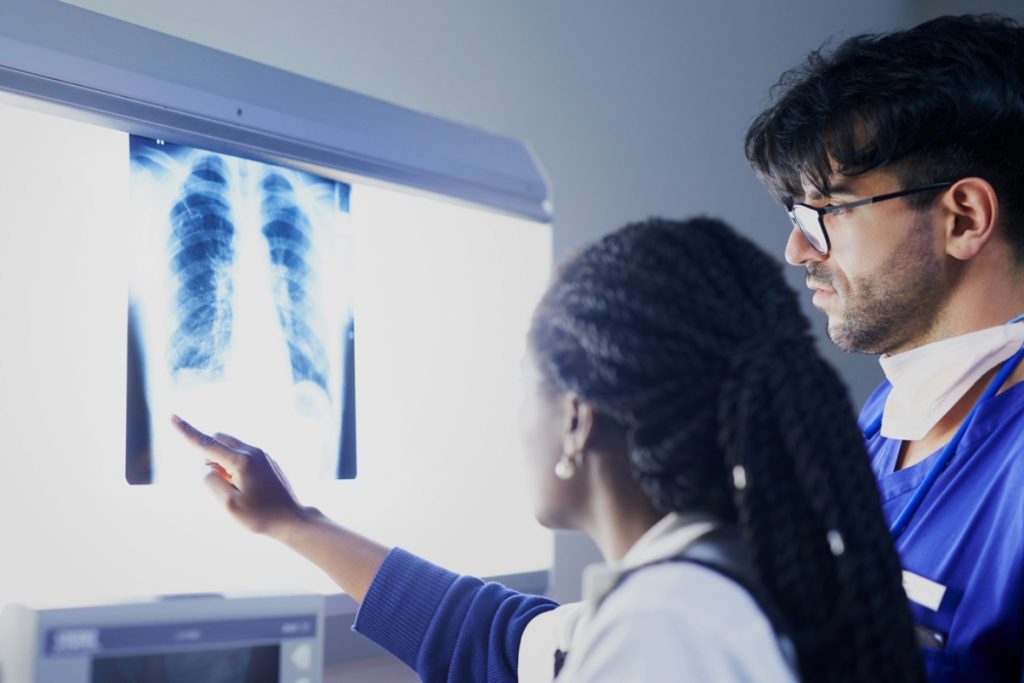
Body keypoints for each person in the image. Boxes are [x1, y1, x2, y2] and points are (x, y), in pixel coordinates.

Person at [175, 217, 924, 682]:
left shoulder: (669, 626)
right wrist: (293, 521)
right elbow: (492, 637)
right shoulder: (723, 576)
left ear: (573, 417)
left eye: (521, 386)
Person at [744, 13, 1024, 683]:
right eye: (795, 215)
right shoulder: (890, 415)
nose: (797, 249)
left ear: (963, 217)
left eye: (826, 211)